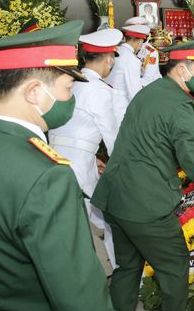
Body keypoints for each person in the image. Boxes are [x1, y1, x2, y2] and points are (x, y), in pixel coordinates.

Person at [91, 35, 194, 311]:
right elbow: (190, 159)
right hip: (146, 205)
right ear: (182, 70)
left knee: (128, 268)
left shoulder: (152, 90)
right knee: (174, 268)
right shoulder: (181, 104)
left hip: (116, 197)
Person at [0, 21, 113, 310]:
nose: (71, 98)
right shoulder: (47, 176)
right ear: (34, 92)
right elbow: (79, 294)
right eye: (68, 87)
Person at [48, 27, 123, 269]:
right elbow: (113, 139)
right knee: (101, 221)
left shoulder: (71, 82)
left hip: (56, 159)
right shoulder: (100, 90)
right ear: (109, 59)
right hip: (80, 167)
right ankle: (110, 271)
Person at [107, 22, 150, 123]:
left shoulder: (117, 51)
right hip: (121, 109)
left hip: (109, 104)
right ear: (139, 41)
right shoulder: (132, 59)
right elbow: (134, 92)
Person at [127, 16, 162, 87]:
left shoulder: (151, 53)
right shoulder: (127, 50)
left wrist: (129, 83)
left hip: (153, 87)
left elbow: (148, 79)